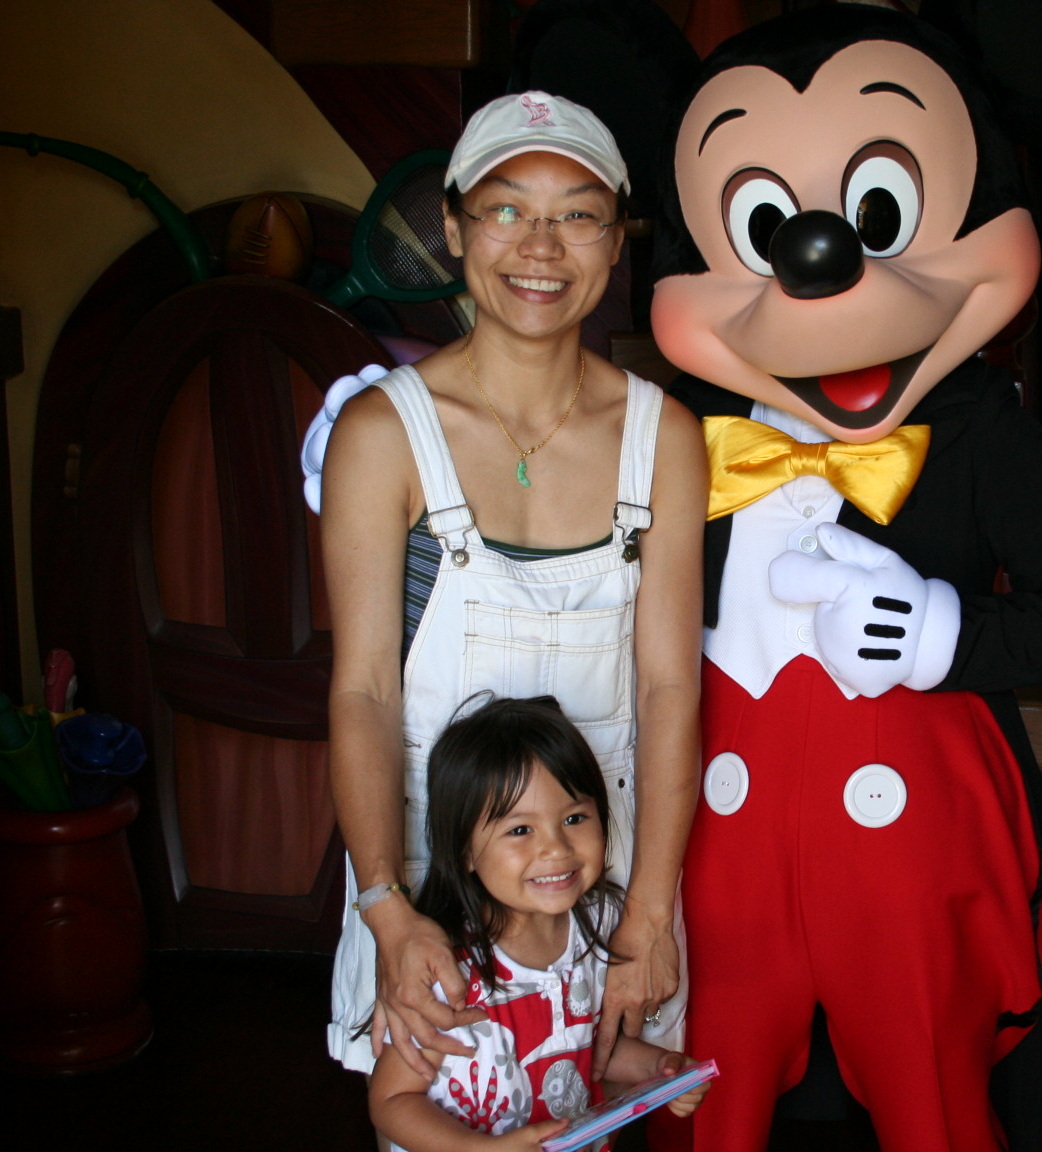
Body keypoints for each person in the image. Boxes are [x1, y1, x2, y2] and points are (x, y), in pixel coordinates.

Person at [314, 89, 707, 1089]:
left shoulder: (663, 437)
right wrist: (386, 908)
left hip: (602, 878)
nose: (541, 246)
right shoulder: (382, 434)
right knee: (444, 1106)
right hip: (431, 873)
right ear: (453, 228)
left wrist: (650, 912)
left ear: (615, 242)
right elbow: (363, 688)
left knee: (585, 1098)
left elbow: (669, 687)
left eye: (578, 214)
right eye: (505, 210)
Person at [370, 695, 711, 1151]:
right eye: (520, 830)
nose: (556, 848)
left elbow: (588, 1049)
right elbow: (392, 1099)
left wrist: (659, 1069)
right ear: (465, 849)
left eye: (574, 818)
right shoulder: (448, 971)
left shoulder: (597, 926)